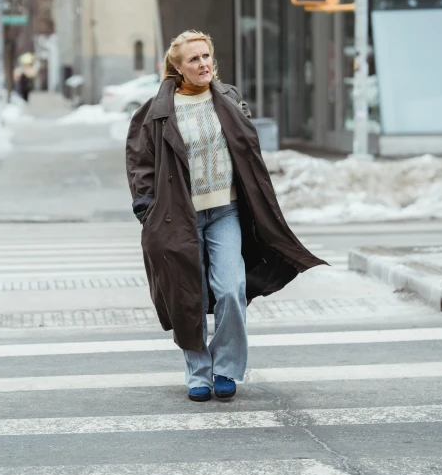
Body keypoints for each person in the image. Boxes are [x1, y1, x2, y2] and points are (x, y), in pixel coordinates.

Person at [126, 30, 325, 402]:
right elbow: (140, 163)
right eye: (193, 59)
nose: (203, 64)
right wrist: (146, 206)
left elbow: (247, 152)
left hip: (226, 211)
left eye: (206, 56)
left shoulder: (229, 100)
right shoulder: (156, 111)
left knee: (231, 289)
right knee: (189, 295)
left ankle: (226, 368)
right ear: (177, 67)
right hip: (178, 215)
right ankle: (198, 373)